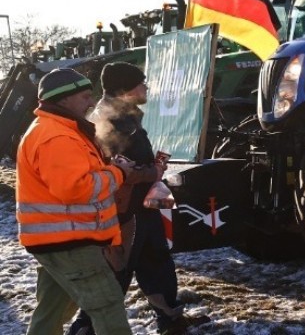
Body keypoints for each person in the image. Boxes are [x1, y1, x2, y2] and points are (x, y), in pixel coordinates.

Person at [67, 62, 208, 335]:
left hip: (141, 209)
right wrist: (151, 172)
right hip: (124, 214)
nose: (146, 88)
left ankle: (170, 318)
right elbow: (116, 169)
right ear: (126, 89)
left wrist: (150, 173)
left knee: (156, 262)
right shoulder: (112, 121)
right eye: (141, 83)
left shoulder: (124, 116)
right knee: (116, 273)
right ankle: (86, 327)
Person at [16, 68, 140, 335]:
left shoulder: (58, 130)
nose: (90, 102)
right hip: (70, 243)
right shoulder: (56, 136)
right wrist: (118, 173)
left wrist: (107, 167)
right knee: (108, 307)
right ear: (63, 101)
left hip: (57, 241)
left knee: (52, 310)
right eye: (84, 96)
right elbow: (77, 188)